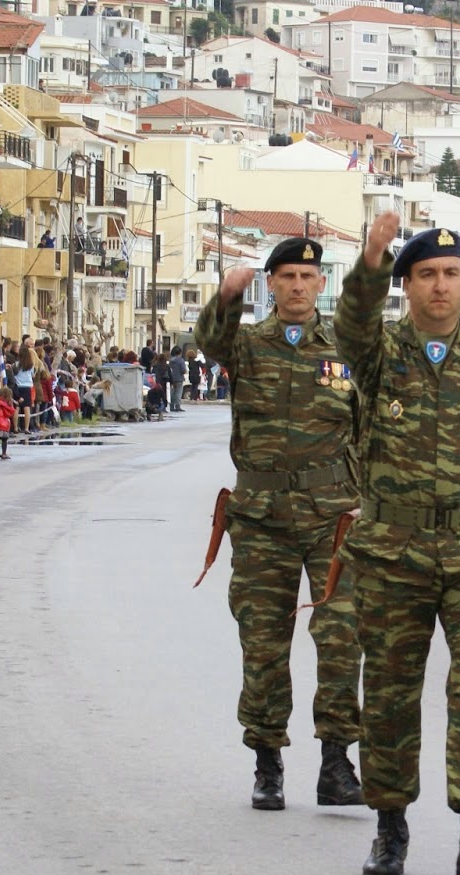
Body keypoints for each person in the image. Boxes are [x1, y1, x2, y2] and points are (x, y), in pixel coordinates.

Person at [335, 215, 460, 875]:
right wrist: (372, 258)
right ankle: (389, 826)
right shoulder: (381, 353)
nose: (442, 287)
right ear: (407, 286)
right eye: (428, 276)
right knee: (389, 690)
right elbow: (352, 326)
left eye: (451, 274)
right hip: (392, 551)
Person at [195, 238, 363, 810]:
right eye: (286, 276)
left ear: (322, 284)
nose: (296, 286)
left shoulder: (348, 347)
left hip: (333, 518)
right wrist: (227, 296)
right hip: (263, 520)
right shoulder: (246, 344)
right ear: (273, 284)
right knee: (264, 643)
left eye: (307, 276)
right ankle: (267, 761)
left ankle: (337, 761)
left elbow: (372, 429)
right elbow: (209, 340)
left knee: (341, 636)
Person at [166, 347, 186, 412]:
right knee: (178, 393)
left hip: (172, 378)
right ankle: (177, 406)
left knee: (173, 392)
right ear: (180, 352)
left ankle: (171, 406)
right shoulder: (181, 360)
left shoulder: (170, 360)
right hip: (179, 378)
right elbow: (183, 370)